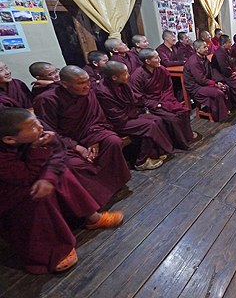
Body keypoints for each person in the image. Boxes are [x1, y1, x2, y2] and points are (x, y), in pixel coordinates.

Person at [0, 108, 123, 274]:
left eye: (37, 121)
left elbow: (58, 152)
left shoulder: (37, 133)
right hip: (10, 192)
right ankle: (54, 251)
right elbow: (25, 177)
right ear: (9, 139)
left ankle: (93, 218)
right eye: (33, 126)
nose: (40, 127)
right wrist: (38, 151)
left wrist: (47, 178)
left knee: (62, 173)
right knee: (36, 195)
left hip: (32, 173)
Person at [33, 66, 131, 206]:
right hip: (63, 142)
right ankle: (96, 197)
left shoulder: (88, 92)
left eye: (87, 81)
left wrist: (94, 139)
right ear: (65, 84)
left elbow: (97, 118)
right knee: (75, 164)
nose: (86, 86)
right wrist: (76, 147)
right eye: (80, 83)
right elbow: (50, 132)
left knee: (113, 141)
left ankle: (114, 186)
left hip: (90, 133)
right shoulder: (46, 100)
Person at [96, 61, 174, 170]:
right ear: (114, 77)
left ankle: (156, 153)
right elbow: (115, 115)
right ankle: (141, 161)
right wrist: (135, 112)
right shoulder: (103, 91)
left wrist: (143, 107)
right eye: (125, 73)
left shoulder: (122, 83)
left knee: (157, 119)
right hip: (118, 122)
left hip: (129, 114)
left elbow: (133, 99)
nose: (129, 76)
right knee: (150, 125)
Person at [129, 49, 196, 150]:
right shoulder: (137, 76)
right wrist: (157, 104)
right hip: (150, 105)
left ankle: (187, 135)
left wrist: (167, 100)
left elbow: (168, 87)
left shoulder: (162, 70)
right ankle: (178, 142)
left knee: (183, 110)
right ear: (147, 61)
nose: (159, 59)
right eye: (156, 58)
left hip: (165, 99)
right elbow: (138, 98)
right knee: (172, 118)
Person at [184, 40, 230, 122]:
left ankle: (224, 111)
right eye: (204, 47)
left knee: (225, 87)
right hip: (196, 87)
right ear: (197, 49)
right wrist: (215, 85)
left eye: (206, 46)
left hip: (204, 83)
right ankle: (221, 116)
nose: (207, 48)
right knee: (218, 92)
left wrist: (217, 82)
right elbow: (200, 79)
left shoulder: (204, 58)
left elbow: (211, 72)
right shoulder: (194, 62)